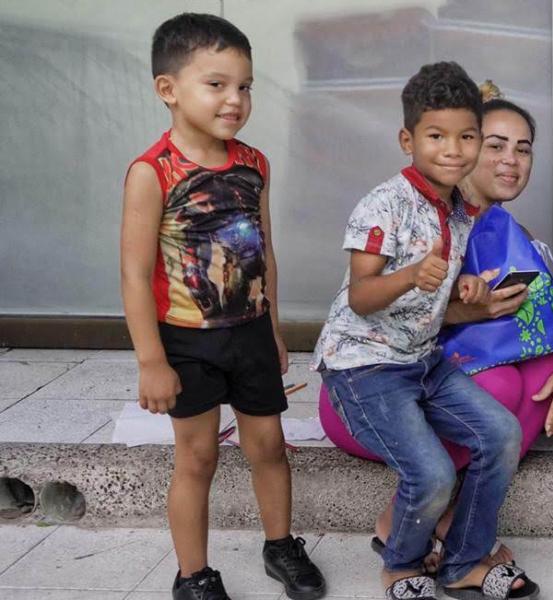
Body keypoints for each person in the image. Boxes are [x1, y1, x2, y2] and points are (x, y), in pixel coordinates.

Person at [313, 61, 539, 600]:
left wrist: (468, 289)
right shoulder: (382, 204)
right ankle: (400, 566)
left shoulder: (458, 207)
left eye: (466, 137)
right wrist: (412, 276)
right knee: (433, 472)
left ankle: (463, 562)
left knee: (500, 434)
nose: (453, 150)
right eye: (436, 136)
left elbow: (442, 285)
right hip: (365, 368)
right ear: (407, 139)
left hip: (421, 361)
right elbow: (364, 295)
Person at [120, 13, 325, 600]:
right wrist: (150, 361)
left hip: (251, 332)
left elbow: (264, 251)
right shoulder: (152, 172)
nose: (235, 99)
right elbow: (134, 274)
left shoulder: (253, 164)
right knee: (198, 456)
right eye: (217, 84)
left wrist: (276, 330)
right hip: (187, 340)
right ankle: (194, 575)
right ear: (169, 89)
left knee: (269, 446)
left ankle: (280, 545)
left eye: (245, 86)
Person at [368, 90, 553, 571]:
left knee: (545, 369)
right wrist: (466, 313)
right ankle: (410, 514)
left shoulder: (515, 238)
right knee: (501, 382)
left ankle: (451, 516)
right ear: (466, 149)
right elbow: (373, 317)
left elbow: (550, 330)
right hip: (379, 391)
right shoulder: (421, 218)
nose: (511, 160)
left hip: (446, 384)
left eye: (523, 148)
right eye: (495, 144)